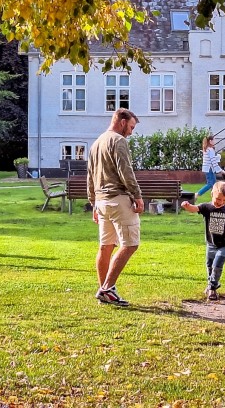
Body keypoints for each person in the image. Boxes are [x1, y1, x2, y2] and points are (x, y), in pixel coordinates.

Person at [87, 108, 144, 307]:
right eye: (131, 127)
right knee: (130, 244)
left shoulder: (96, 143)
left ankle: (104, 290)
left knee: (106, 246)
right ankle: (107, 288)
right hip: (118, 200)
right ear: (121, 121)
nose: (131, 132)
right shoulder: (118, 141)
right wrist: (137, 195)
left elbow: (90, 175)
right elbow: (125, 170)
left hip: (102, 202)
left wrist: (93, 202)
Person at [194, 135, 223, 202]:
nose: (214, 141)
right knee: (210, 184)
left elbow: (211, 159)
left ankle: (214, 199)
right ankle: (197, 194)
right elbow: (213, 161)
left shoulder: (207, 149)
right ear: (210, 141)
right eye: (214, 140)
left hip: (208, 168)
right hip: (209, 168)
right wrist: (220, 170)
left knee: (214, 184)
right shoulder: (210, 150)